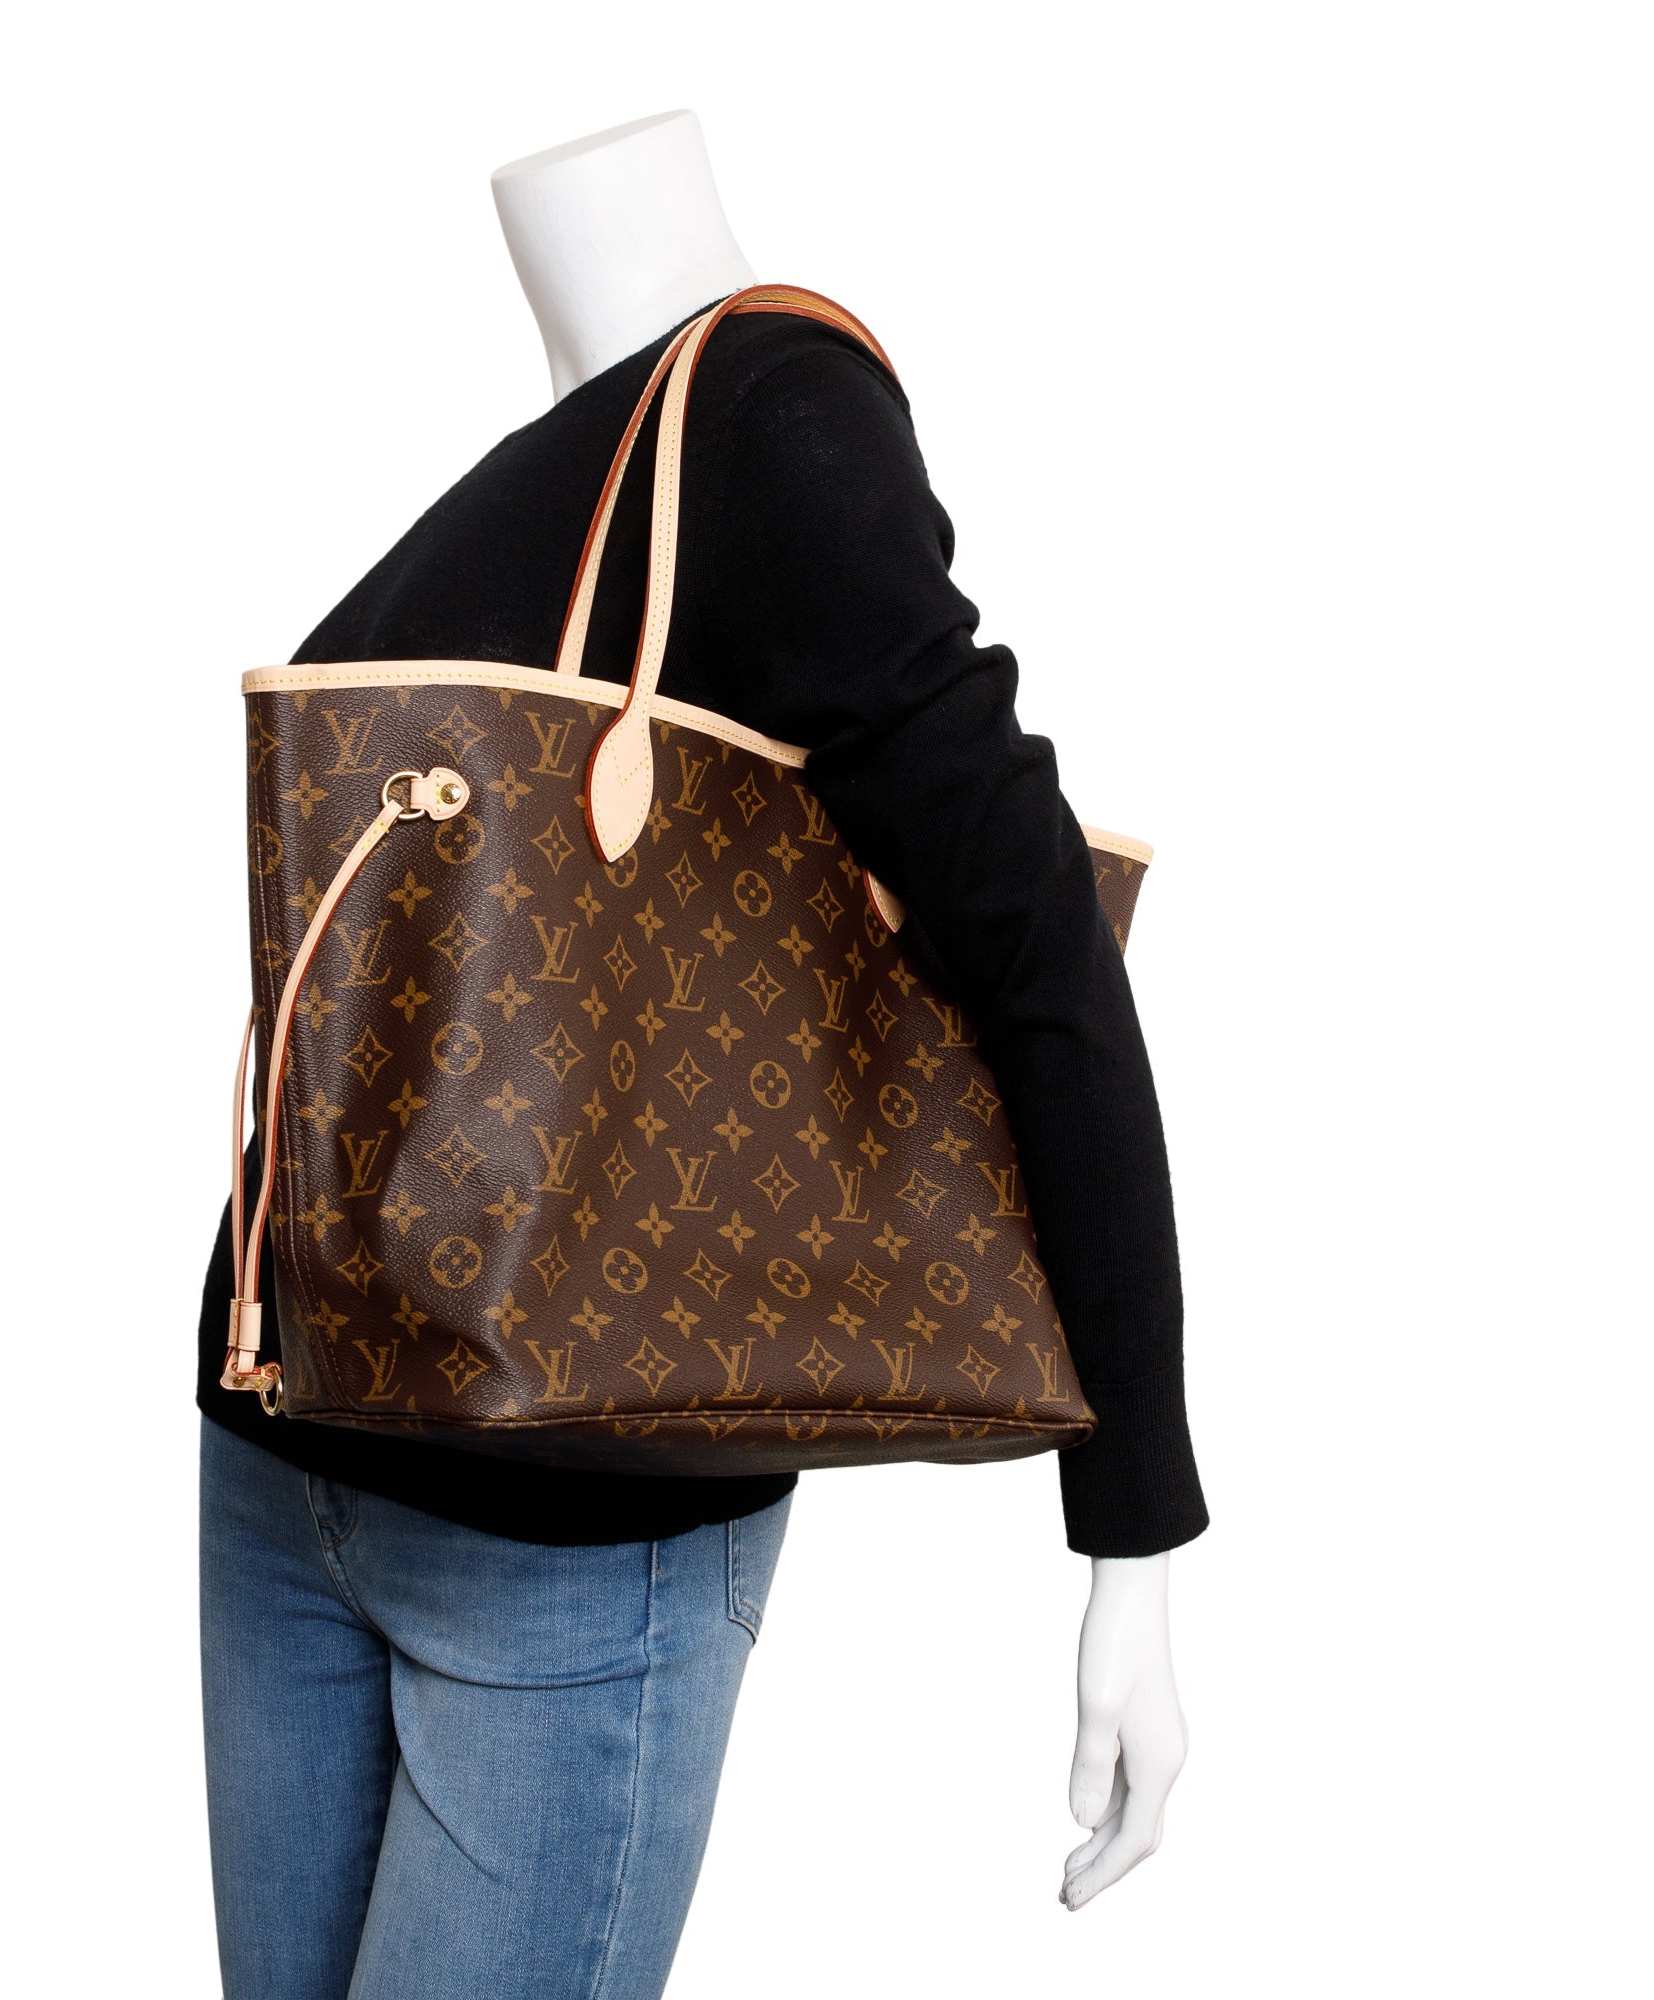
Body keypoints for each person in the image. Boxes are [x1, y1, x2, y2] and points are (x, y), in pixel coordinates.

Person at [197, 112, 1207, 2000]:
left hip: (570, 1532)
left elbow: (1041, 950)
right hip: (284, 1456)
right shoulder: (583, 450)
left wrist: (1133, 1526)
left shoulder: (774, 413)